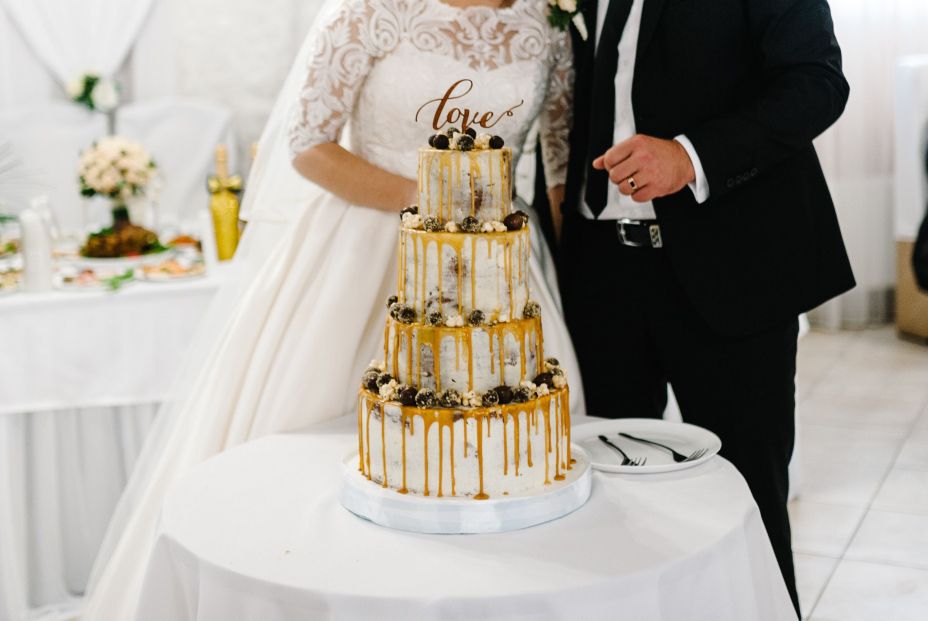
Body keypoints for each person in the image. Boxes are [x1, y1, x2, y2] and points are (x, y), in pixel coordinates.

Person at [82, 1, 584, 618]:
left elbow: (560, 162)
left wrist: (572, 275)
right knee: (331, 467)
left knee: (504, 455)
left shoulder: (548, 21)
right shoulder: (370, 11)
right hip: (360, 252)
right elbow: (306, 143)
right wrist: (430, 199)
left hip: (497, 266)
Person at [549, 0, 854, 615]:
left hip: (733, 268)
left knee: (746, 498)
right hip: (597, 274)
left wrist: (690, 157)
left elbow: (817, 82)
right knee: (609, 497)